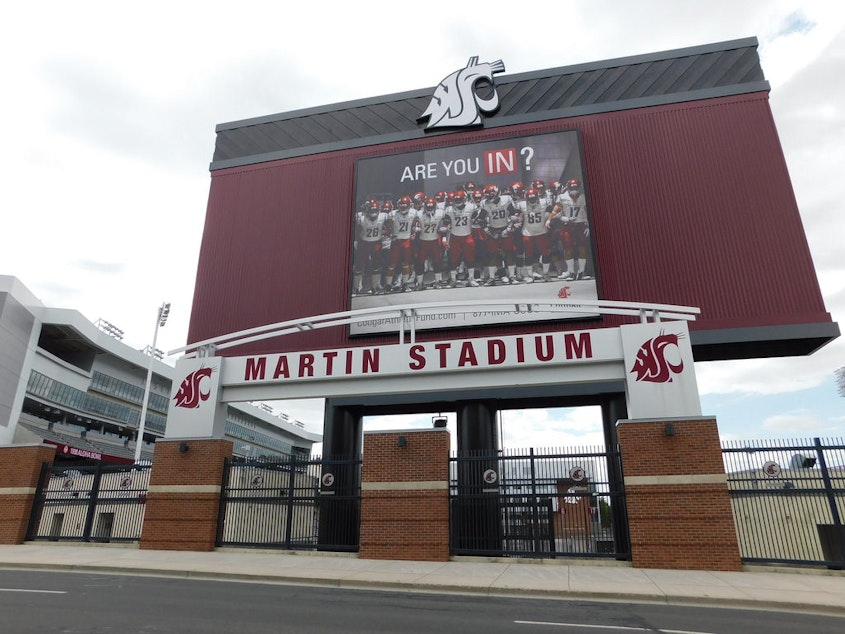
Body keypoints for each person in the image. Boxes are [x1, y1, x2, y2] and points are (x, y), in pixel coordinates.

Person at [546, 178, 592, 280]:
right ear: (568, 187)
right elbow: (555, 211)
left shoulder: (584, 197)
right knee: (568, 248)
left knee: (582, 248)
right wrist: (549, 219)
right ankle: (571, 272)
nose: (574, 189)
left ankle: (581, 272)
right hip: (568, 225)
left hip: (581, 225)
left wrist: (588, 225)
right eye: (572, 187)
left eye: (576, 187)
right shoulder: (563, 197)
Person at [480, 184, 521, 284]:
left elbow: (513, 216)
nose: (489, 198)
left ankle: (512, 276)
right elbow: (481, 220)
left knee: (509, 253)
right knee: (492, 254)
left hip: (505, 227)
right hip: (493, 229)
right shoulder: (484, 203)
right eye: (487, 195)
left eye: (490, 195)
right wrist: (489, 232)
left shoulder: (506, 200)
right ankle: (492, 277)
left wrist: (508, 229)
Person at [441, 190, 480, 287]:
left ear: (465, 199)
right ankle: (453, 280)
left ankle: (471, 278)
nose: (457, 201)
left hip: (467, 236)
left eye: (459, 199)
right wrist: (444, 238)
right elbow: (445, 226)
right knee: (453, 260)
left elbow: (477, 220)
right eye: (456, 199)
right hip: (455, 237)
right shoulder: (449, 210)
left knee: (470, 258)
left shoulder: (471, 207)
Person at [353, 199, 390, 294]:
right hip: (364, 243)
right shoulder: (360, 217)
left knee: (376, 266)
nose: (373, 213)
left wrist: (386, 232)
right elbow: (356, 230)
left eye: (375, 211)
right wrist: (356, 240)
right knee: (359, 266)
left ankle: (375, 287)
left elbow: (389, 228)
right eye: (371, 211)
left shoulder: (384, 216)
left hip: (376, 243)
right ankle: (356, 288)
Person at [518, 187, 553, 282]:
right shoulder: (521, 205)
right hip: (527, 232)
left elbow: (552, 211)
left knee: (545, 253)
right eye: (530, 199)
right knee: (528, 254)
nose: (532, 201)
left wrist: (548, 219)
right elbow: (517, 215)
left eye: (534, 198)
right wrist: (517, 219)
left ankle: (545, 273)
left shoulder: (544, 202)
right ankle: (530, 276)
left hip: (541, 231)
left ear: (537, 197)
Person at [386, 195, 419, 291]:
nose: (403, 208)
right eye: (401, 206)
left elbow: (415, 224)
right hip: (396, 241)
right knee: (392, 264)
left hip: (407, 240)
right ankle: (388, 284)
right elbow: (387, 228)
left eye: (405, 206)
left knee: (406, 264)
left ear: (409, 205)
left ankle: (405, 284)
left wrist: (414, 231)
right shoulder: (392, 214)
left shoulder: (414, 213)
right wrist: (390, 229)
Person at [414, 197, 448, 288]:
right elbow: (414, 225)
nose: (429, 209)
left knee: (437, 262)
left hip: (435, 241)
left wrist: (443, 234)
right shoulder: (419, 214)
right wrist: (415, 229)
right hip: (423, 241)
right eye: (428, 207)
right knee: (420, 263)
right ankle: (420, 283)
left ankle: (438, 281)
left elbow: (444, 225)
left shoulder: (440, 214)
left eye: (431, 207)